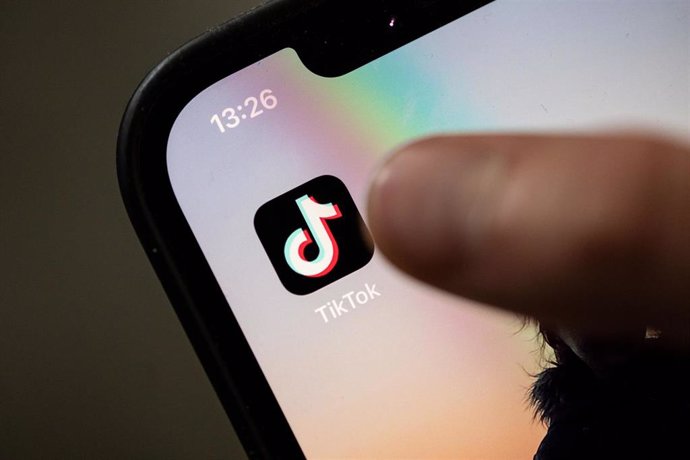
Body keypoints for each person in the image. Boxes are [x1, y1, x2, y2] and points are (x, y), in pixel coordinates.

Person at [366, 134, 690, 459]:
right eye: (578, 306)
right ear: (553, 334)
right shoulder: (567, 449)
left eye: (611, 296)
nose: (604, 320)